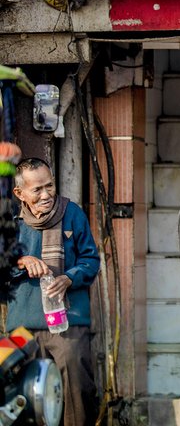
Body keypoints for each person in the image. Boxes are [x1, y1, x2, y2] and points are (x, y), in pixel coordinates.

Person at [9, 157, 100, 426]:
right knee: (24, 397)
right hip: (22, 327)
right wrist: (21, 262)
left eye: (49, 186)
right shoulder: (10, 222)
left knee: (77, 393)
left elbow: (91, 260)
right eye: (37, 189)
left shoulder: (72, 214)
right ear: (20, 193)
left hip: (68, 323)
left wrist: (69, 278)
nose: (46, 194)